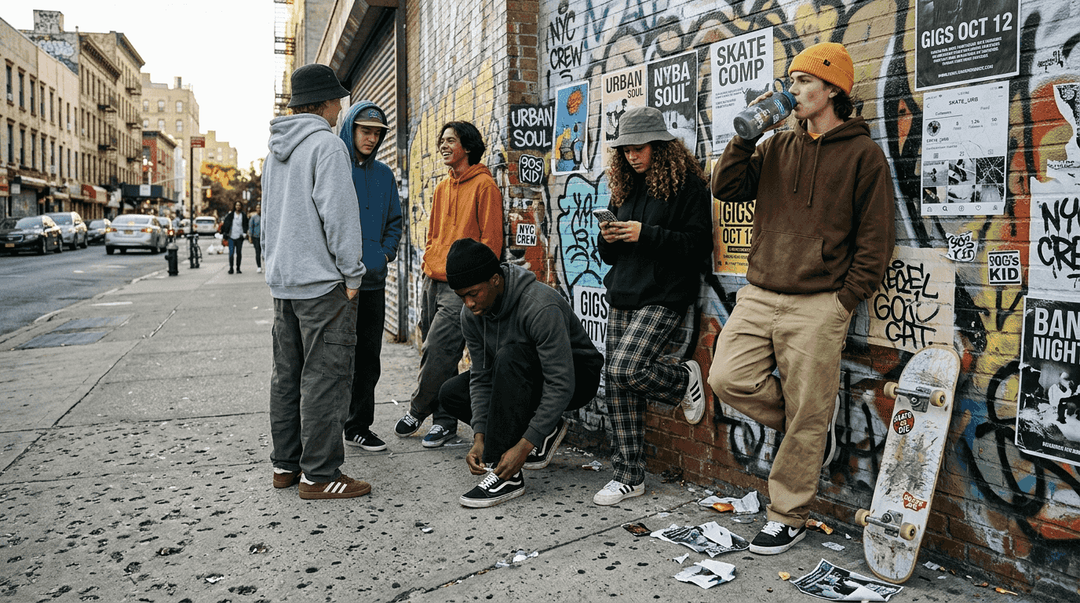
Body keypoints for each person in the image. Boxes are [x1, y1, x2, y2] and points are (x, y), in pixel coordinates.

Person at [709, 42, 895, 554]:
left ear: (832, 89)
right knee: (726, 378)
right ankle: (807, 431)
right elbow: (725, 188)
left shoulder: (863, 155)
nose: (792, 92)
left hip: (820, 303)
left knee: (811, 411)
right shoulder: (775, 147)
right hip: (760, 292)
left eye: (802, 82)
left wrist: (845, 300)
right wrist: (746, 138)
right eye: (790, 82)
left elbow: (876, 239)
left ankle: (786, 514)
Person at [593, 106, 712, 507]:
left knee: (626, 368)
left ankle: (682, 381)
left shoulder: (689, 186)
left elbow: (697, 247)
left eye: (639, 148)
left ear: (661, 147)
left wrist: (648, 234)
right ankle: (629, 477)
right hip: (624, 291)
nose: (631, 156)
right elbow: (609, 257)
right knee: (616, 385)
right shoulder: (624, 187)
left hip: (665, 293)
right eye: (625, 150)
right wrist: (608, 236)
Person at [262, 63, 370, 500]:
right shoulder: (326, 146)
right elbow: (340, 216)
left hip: (284, 283)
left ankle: (286, 467)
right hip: (322, 284)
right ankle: (321, 474)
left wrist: (273, 270)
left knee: (286, 376)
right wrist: (352, 274)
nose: (341, 107)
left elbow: (268, 219)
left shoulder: (275, 149)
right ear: (325, 102)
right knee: (325, 377)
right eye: (338, 99)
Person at [435, 238, 603, 508]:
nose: (468, 304)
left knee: (510, 357)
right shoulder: (471, 316)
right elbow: (481, 377)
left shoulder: (539, 306)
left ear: (495, 279)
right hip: (520, 374)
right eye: (461, 296)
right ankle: (543, 430)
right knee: (451, 393)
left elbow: (561, 383)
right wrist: (480, 437)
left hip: (577, 378)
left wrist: (523, 447)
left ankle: (507, 475)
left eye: (473, 293)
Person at [393, 121, 504, 449]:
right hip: (432, 280)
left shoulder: (485, 187)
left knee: (437, 349)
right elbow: (433, 236)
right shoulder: (442, 188)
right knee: (439, 354)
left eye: (450, 141)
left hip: (461, 287)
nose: (442, 146)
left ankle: (417, 408)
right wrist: (429, 264)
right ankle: (444, 423)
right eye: (441, 140)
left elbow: (491, 244)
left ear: (467, 147)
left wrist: (474, 285)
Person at [338, 100, 403, 452]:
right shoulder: (335, 169)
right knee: (334, 357)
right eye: (365, 131)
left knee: (367, 358)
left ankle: (358, 426)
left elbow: (395, 223)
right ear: (350, 129)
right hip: (336, 284)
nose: (371, 138)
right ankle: (328, 424)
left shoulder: (384, 175)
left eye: (377, 133)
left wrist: (384, 253)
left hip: (373, 281)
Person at [220, 201, 248, 274]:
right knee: (231, 253)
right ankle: (231, 268)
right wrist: (225, 235)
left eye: (239, 205)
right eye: (236, 205)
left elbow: (246, 224)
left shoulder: (243, 215)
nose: (238, 206)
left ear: (241, 206)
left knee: (239, 253)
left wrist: (244, 233)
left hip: (240, 237)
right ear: (234, 206)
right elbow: (226, 225)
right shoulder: (231, 215)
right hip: (231, 237)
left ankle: (238, 268)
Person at [249, 203, 263, 274]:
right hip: (256, 237)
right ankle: (259, 266)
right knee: (258, 252)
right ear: (256, 209)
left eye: (260, 208)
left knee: (265, 252)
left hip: (264, 237)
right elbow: (251, 227)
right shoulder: (253, 218)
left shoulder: (264, 217)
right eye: (257, 208)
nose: (259, 209)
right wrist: (250, 237)